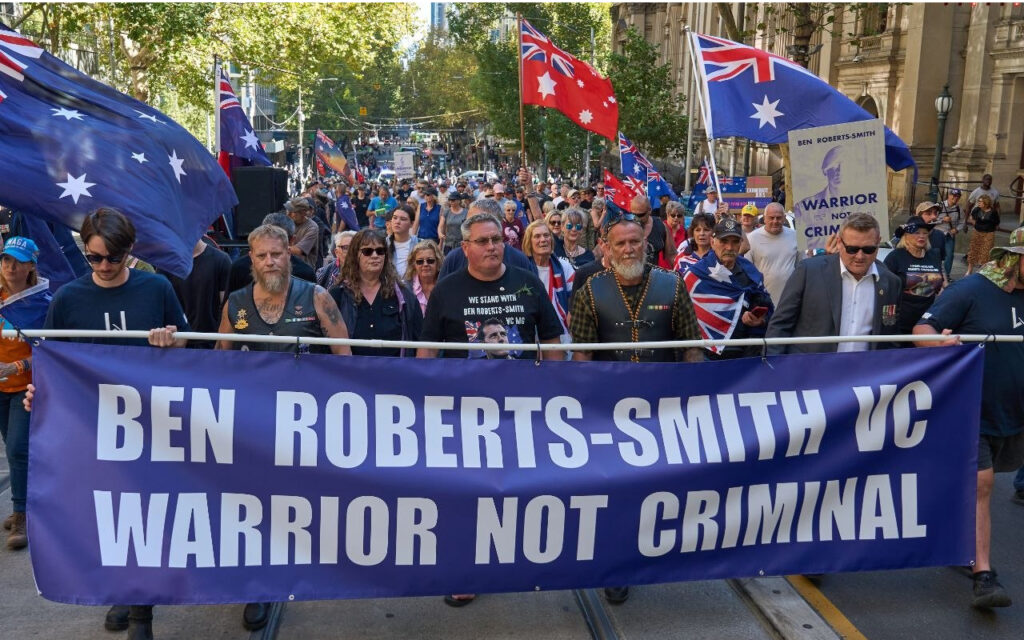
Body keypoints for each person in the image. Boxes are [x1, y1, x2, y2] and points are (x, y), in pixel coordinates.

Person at [38, 208, 188, 639]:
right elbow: (52, 364)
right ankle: (123, 589)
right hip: (93, 428)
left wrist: (172, 341)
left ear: (130, 253)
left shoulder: (156, 288)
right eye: (93, 258)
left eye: (112, 258)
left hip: (149, 425)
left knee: (142, 515)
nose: (103, 267)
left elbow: (192, 354)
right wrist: (40, 394)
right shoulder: (69, 299)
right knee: (106, 516)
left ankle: (142, 613)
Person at [217, 223, 351, 631]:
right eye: (262, 255)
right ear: (251, 259)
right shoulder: (235, 304)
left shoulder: (316, 296)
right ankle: (262, 584)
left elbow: (344, 356)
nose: (271, 261)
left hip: (310, 424)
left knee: (306, 503)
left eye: (278, 253)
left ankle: (321, 567)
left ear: (289, 256)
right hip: (255, 425)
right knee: (258, 506)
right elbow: (217, 361)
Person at [913, 226, 1024, 610]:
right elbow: (921, 328)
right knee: (981, 484)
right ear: (1015, 258)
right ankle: (983, 576)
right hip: (969, 407)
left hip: (1015, 413)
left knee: (972, 486)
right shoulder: (972, 290)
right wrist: (938, 343)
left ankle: (956, 540)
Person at [418, 212, 562, 362]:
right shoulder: (445, 290)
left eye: (496, 239)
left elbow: (551, 341)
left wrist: (552, 381)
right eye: (482, 241)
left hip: (521, 382)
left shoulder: (530, 282)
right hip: (464, 383)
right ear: (465, 248)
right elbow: (428, 349)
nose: (491, 247)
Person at [765, 212, 902, 354]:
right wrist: (775, 367)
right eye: (852, 249)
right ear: (839, 242)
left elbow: (890, 334)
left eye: (868, 249)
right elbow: (780, 324)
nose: (860, 256)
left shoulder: (891, 283)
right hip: (811, 370)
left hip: (864, 373)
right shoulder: (808, 272)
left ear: (878, 243)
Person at [0, 237, 50, 550]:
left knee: (18, 449)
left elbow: (50, 349)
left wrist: (15, 366)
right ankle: (25, 502)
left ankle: (21, 514)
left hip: (26, 387)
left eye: (18, 261)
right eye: (6, 259)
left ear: (31, 266)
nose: (10, 267)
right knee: (11, 448)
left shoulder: (41, 303)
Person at [683, 218, 774, 360]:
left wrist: (760, 320)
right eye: (724, 241)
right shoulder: (695, 275)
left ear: (740, 244)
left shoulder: (750, 273)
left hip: (745, 354)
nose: (730, 248)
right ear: (713, 243)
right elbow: (679, 317)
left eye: (735, 242)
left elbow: (768, 311)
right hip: (705, 355)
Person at [329, 229, 421, 357]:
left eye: (380, 251)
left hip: (394, 371)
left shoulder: (404, 296)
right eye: (367, 251)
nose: (375, 255)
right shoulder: (338, 294)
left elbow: (419, 340)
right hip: (350, 372)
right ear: (355, 255)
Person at [158, 237, 231, 349]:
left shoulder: (221, 260)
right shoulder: (165, 264)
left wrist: (220, 342)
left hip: (212, 345)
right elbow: (162, 308)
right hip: (176, 344)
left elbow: (227, 309)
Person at [883, 216, 946, 338]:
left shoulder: (934, 255)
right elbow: (885, 291)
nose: (921, 236)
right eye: (916, 233)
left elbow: (940, 286)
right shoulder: (895, 257)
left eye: (925, 233)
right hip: (899, 323)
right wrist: (888, 324)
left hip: (926, 323)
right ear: (906, 235)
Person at [228, 212, 316, 292]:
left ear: (291, 241)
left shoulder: (305, 274)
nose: (269, 262)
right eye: (261, 256)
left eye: (276, 254)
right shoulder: (239, 269)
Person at [522, 220, 575, 347]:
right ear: (529, 242)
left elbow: (575, 299)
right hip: (532, 335)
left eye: (546, 235)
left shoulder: (564, 266)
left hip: (563, 333)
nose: (543, 239)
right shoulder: (523, 269)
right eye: (537, 236)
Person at [743, 202, 800, 306]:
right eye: (771, 217)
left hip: (790, 300)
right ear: (764, 219)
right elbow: (747, 272)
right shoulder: (752, 238)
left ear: (784, 218)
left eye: (778, 218)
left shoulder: (795, 236)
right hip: (762, 300)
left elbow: (802, 267)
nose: (775, 221)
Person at [631, 194, 675, 267]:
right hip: (628, 274)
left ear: (649, 210)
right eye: (633, 214)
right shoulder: (625, 226)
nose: (636, 218)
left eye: (640, 215)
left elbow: (671, 255)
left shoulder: (660, 226)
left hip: (651, 275)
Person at [403, 239, 443, 315]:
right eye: (420, 261)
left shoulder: (446, 284)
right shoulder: (406, 288)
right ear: (413, 264)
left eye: (430, 261)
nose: (425, 264)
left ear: (438, 261)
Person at [966, 194, 1000, 275]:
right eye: (978, 201)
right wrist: (976, 225)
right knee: (973, 250)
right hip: (977, 232)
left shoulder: (993, 212)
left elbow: (997, 223)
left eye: (981, 201)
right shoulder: (976, 210)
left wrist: (989, 229)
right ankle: (969, 270)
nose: (979, 203)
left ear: (986, 202)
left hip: (988, 234)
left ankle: (982, 272)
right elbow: (971, 218)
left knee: (986, 252)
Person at [284, 197, 322, 269]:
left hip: (304, 270)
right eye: (288, 210)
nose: (288, 214)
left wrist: (277, 248)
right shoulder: (288, 222)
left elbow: (298, 250)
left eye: (293, 212)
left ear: (303, 213)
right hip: (288, 266)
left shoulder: (312, 227)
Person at [936, 188, 964, 279]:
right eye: (953, 195)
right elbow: (931, 219)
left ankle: (946, 275)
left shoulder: (959, 209)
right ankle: (936, 272)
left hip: (949, 235)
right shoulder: (939, 206)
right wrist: (942, 219)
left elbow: (962, 222)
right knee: (936, 254)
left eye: (957, 196)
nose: (955, 198)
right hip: (938, 233)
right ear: (949, 195)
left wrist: (957, 229)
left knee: (949, 255)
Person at [386, 205, 418, 276]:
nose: (397, 222)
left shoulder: (419, 244)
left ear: (411, 224)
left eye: (403, 219)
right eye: (395, 218)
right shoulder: (382, 244)